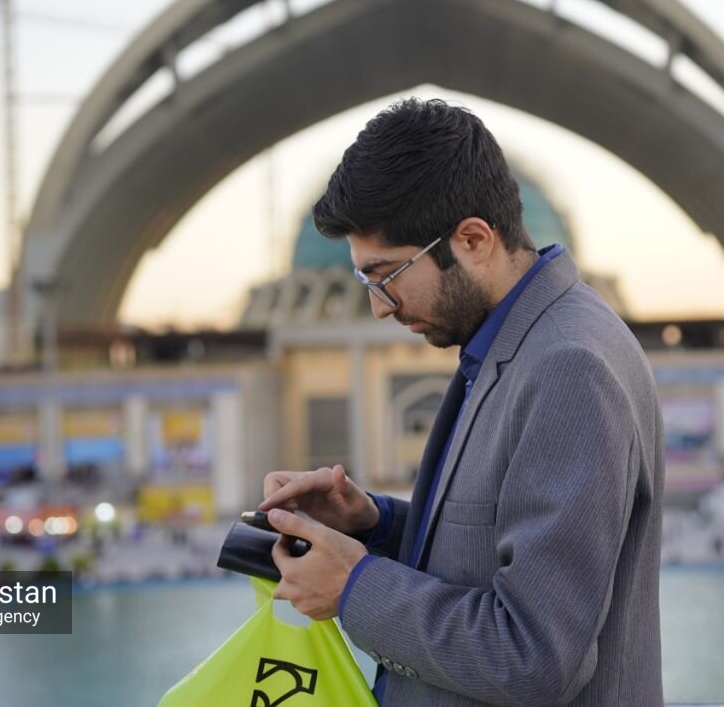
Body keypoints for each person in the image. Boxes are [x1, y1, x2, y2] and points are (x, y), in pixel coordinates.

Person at [258, 98, 664, 706]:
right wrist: (373, 524)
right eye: (366, 281)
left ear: (473, 239)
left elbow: (533, 657)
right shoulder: (514, 344)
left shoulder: (568, 366)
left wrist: (353, 586)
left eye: (386, 275)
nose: (379, 306)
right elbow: (497, 549)